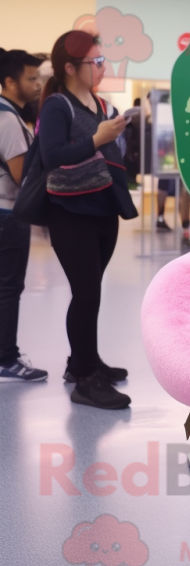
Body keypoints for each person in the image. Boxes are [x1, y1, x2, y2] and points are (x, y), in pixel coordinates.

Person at [38, 30, 138, 409]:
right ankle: (85, 379)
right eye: (95, 61)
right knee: (86, 293)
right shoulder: (57, 105)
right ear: (70, 67)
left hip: (103, 209)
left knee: (91, 292)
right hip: (70, 213)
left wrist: (111, 134)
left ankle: (84, 360)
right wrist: (98, 138)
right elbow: (52, 156)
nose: (102, 67)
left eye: (102, 60)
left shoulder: (99, 104)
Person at [0, 49, 47, 382]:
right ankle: (6, 358)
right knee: (8, 287)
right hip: (7, 214)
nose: (37, 84)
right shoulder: (8, 121)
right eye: (31, 79)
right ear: (10, 82)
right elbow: (22, 177)